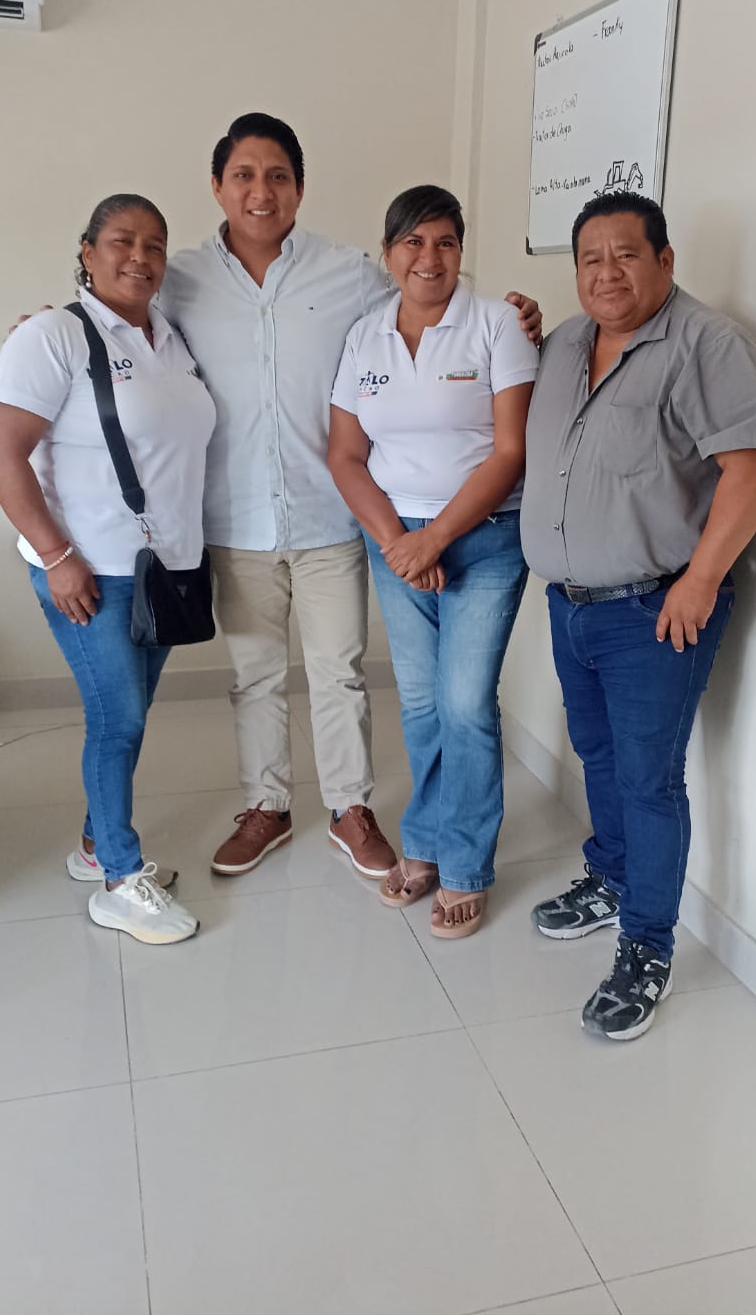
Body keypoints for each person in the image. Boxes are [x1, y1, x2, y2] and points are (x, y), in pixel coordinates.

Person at [160, 114, 543, 884]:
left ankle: (349, 809)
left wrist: (521, 319)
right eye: (244, 175)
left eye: (277, 176)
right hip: (235, 513)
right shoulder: (179, 280)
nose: (261, 191)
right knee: (256, 675)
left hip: (333, 514)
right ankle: (265, 806)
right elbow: (117, 324)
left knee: (339, 671)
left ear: (299, 188)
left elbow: (430, 297)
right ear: (217, 186)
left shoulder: (350, 274)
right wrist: (54, 327)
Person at [522, 191, 756, 1038]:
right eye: (590, 259)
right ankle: (611, 875)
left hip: (653, 611)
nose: (606, 273)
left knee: (647, 779)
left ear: (664, 261)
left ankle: (646, 944)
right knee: (597, 754)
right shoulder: (566, 344)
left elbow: (751, 467)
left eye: (626, 255)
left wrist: (701, 579)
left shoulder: (707, 345)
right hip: (570, 605)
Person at [0, 195, 215, 944]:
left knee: (131, 715)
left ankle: (92, 844)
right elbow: (1, 454)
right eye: (122, 241)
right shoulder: (52, 335)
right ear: (87, 252)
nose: (139, 257)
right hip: (88, 570)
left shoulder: (172, 339)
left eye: (154, 245)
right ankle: (118, 876)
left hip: (164, 571)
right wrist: (57, 558)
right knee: (117, 720)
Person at [328, 186, 539, 937]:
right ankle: (422, 841)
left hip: (483, 536)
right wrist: (399, 540)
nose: (430, 257)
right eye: (413, 242)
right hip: (395, 539)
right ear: (388, 254)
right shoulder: (364, 337)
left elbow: (511, 452)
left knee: (464, 703)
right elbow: (345, 454)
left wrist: (436, 538)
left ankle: (465, 867)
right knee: (420, 704)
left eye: (445, 242)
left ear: (461, 252)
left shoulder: (496, 325)